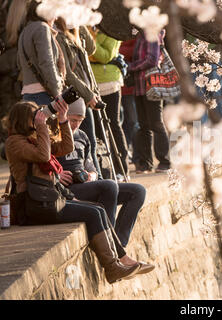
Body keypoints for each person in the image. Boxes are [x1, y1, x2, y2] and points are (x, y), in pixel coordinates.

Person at [4, 99, 142, 284]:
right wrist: (42, 126)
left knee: (98, 210)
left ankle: (115, 263)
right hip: (34, 205)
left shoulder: (35, 139)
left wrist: (62, 120)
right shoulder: (14, 142)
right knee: (93, 213)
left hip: (49, 198)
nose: (40, 118)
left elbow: (65, 147)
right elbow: (43, 155)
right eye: (34, 116)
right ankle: (112, 266)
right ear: (23, 120)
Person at [57, 100, 154, 272]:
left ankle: (118, 243)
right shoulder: (54, 135)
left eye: (79, 120)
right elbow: (40, 164)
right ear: (64, 116)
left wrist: (91, 176)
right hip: (68, 189)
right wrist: (56, 175)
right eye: (72, 120)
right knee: (109, 185)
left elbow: (91, 166)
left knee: (138, 191)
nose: (75, 125)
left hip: (86, 185)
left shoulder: (82, 136)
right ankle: (116, 251)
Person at [54, 17, 103, 179]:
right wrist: (88, 94)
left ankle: (96, 178)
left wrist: (80, 22)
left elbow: (91, 48)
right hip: (75, 95)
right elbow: (67, 73)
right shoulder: (58, 36)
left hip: (86, 95)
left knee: (91, 142)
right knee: (84, 140)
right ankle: (94, 181)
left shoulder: (75, 33)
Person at [128, 30, 171, 174]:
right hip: (139, 86)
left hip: (152, 85)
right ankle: (146, 164)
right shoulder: (140, 35)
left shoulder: (153, 33)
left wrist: (131, 66)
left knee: (156, 124)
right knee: (143, 126)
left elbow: (152, 59)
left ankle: (165, 161)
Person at [89, 28, 129, 181]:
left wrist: (90, 44)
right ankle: (105, 168)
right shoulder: (86, 25)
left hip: (109, 83)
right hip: (91, 86)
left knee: (113, 125)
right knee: (97, 130)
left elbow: (105, 56)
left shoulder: (113, 30)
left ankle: (121, 168)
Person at [16, 0, 65, 105]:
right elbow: (47, 62)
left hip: (27, 94)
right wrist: (57, 93)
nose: (56, 18)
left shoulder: (25, 30)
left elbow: (19, 63)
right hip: (43, 95)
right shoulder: (42, 28)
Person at [119, 39, 139, 163]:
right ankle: (125, 152)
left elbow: (134, 52)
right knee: (121, 122)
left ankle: (136, 154)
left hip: (131, 87)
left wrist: (120, 55)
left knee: (132, 121)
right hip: (117, 87)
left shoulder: (133, 34)